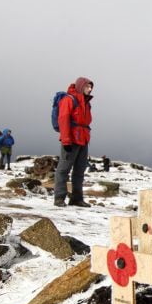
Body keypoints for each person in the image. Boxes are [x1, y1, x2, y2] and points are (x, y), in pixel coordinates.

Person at [54, 77, 94, 207]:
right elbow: (63, 119)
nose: (90, 89)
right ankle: (59, 198)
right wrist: (66, 140)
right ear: (81, 86)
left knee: (79, 170)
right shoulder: (69, 99)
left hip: (83, 139)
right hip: (71, 139)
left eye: (91, 87)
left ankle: (76, 198)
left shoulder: (86, 102)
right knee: (63, 169)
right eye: (87, 86)